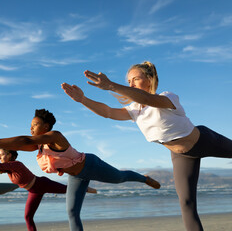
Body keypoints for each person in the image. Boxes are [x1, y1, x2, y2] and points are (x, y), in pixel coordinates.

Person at [61, 61, 232, 231]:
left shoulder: (168, 97)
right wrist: (83, 99)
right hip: (182, 155)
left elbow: (148, 98)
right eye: (129, 81)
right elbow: (108, 112)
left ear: (150, 79)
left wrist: (111, 85)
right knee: (186, 202)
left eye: (135, 79)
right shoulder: (135, 110)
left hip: (204, 140)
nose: (131, 84)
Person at [0, 109, 160, 231]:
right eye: (31, 124)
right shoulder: (38, 147)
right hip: (76, 176)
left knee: (120, 177)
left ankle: (144, 178)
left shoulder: (55, 136)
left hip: (91, 165)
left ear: (46, 127)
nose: (31, 127)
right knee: (72, 212)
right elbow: (23, 144)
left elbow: (26, 141)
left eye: (35, 124)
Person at [0, 149, 97, 231]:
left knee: (69, 190)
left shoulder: (16, 164)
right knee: (28, 217)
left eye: (2, 154)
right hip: (33, 191)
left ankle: (86, 188)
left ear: (9, 155)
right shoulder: (8, 168)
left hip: (42, 184)